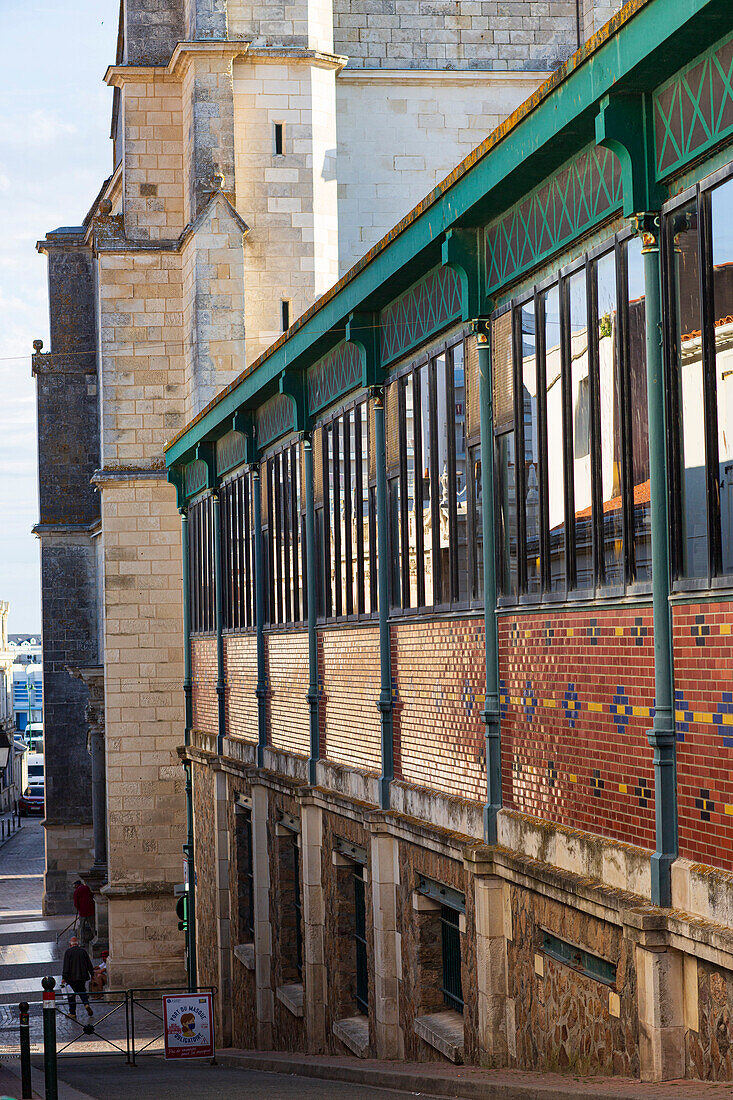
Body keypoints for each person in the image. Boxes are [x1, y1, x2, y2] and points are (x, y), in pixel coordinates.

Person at [61, 936, 94, 1018]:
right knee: (82, 991)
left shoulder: (68, 952)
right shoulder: (83, 951)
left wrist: (64, 977)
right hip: (82, 977)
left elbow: (66, 966)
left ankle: (72, 1012)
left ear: (70, 944)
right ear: (78, 944)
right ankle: (86, 1004)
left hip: (71, 978)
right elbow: (89, 964)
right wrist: (92, 974)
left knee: (71, 995)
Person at [72, 878, 96, 951]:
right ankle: (95, 938)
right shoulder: (87, 888)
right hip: (90, 910)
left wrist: (78, 909)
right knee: (92, 926)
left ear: (77, 885)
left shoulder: (77, 891)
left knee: (82, 927)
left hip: (82, 912)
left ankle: (82, 942)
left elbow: (76, 903)